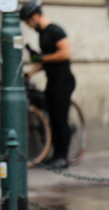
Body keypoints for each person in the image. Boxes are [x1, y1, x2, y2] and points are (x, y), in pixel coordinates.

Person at [20, 0, 76, 169]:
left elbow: (65, 53)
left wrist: (44, 58)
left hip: (63, 80)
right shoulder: (42, 34)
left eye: (29, 22)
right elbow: (46, 61)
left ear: (36, 16)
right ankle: (55, 155)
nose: (29, 26)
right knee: (52, 118)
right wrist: (30, 72)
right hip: (52, 81)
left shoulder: (55, 30)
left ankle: (63, 157)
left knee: (60, 119)